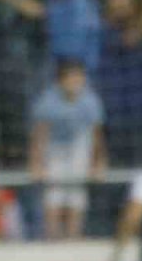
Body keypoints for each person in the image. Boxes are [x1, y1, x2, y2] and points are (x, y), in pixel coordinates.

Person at [28, 60, 106, 240]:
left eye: (79, 78)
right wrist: (36, 163)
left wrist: (98, 162)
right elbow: (39, 135)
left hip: (79, 146)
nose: (75, 82)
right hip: (54, 148)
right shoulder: (48, 101)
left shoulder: (90, 101)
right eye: (70, 78)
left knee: (76, 195)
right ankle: (53, 239)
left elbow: (97, 135)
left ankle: (73, 238)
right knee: (53, 195)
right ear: (60, 80)